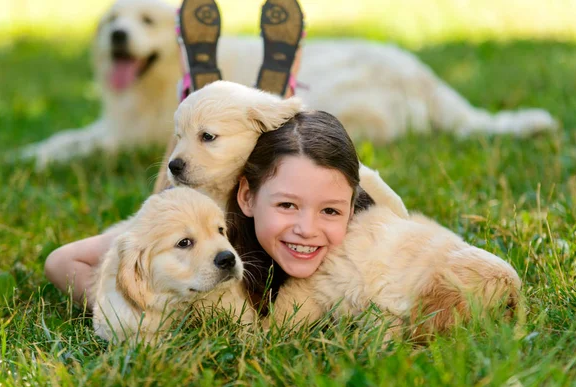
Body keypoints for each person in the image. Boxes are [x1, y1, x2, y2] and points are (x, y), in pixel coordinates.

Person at [44, 0, 306, 305]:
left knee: (65, 262)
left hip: (182, 226)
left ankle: (215, 102)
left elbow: (63, 263)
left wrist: (124, 312)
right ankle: (265, 111)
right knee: (216, 169)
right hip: (244, 245)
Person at [226, 110, 373, 314]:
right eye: (287, 205)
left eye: (330, 210)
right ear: (247, 196)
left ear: (351, 210)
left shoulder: (374, 258)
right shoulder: (210, 248)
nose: (306, 230)